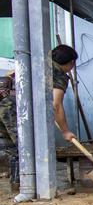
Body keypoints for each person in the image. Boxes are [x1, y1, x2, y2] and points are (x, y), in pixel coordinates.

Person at [1, 45, 79, 189]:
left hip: (4, 103)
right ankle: (28, 187)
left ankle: (18, 185)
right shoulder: (58, 73)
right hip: (13, 108)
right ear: (71, 63)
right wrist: (65, 131)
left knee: (14, 146)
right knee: (27, 146)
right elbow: (56, 104)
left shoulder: (36, 62)